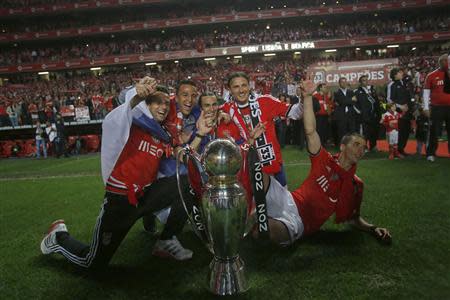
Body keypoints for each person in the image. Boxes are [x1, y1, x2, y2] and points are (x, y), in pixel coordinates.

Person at [40, 78, 194, 270]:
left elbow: (172, 159)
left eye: (165, 102)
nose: (163, 107)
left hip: (145, 196)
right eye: (156, 101)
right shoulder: (133, 124)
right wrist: (135, 96)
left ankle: (165, 239)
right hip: (121, 200)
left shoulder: (162, 134)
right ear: (146, 104)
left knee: (188, 181)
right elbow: (116, 118)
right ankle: (58, 237)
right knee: (93, 264)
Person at [248, 81, 391, 246]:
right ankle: (247, 211)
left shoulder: (356, 185)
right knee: (258, 171)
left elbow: (354, 218)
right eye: (356, 144)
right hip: (288, 200)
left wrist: (373, 229)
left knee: (262, 231)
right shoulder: (324, 160)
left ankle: (258, 217)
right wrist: (307, 97)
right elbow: (310, 131)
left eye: (363, 148)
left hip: (299, 223)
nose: (360, 150)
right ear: (343, 146)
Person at [220, 72, 301, 187]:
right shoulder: (227, 109)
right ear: (230, 90)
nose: (241, 90)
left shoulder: (265, 101)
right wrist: (218, 114)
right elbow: (209, 110)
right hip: (248, 170)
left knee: (280, 204)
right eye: (236, 87)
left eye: (244, 85)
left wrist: (305, 98)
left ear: (249, 86)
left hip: (273, 167)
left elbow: (296, 113)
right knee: (255, 204)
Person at [423, 54, 450, 162]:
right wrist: (425, 107)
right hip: (437, 108)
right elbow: (426, 92)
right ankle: (430, 153)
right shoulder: (431, 75)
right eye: (444, 61)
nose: (446, 63)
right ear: (440, 62)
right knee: (434, 131)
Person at [387, 68, 414, 156]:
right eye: (399, 72)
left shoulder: (405, 83)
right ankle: (396, 150)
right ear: (395, 75)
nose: (401, 73)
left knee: (406, 131)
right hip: (398, 112)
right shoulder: (392, 84)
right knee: (398, 132)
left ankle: (401, 149)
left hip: (407, 111)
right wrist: (400, 106)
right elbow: (389, 99)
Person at [355, 75, 381, 152]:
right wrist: (360, 112)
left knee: (373, 131)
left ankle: (373, 146)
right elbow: (354, 104)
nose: (366, 81)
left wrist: (378, 113)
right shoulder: (357, 91)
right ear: (360, 82)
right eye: (363, 80)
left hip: (373, 115)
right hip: (364, 116)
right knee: (365, 132)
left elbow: (376, 102)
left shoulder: (372, 91)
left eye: (366, 80)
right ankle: (364, 147)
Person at [333, 77, 358, 143]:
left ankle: (352, 145)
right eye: (342, 82)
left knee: (352, 132)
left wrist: (345, 101)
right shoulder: (336, 93)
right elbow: (341, 102)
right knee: (342, 132)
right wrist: (350, 100)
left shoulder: (351, 91)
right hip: (341, 116)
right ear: (339, 83)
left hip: (350, 114)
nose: (344, 83)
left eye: (345, 82)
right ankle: (343, 146)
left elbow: (354, 101)